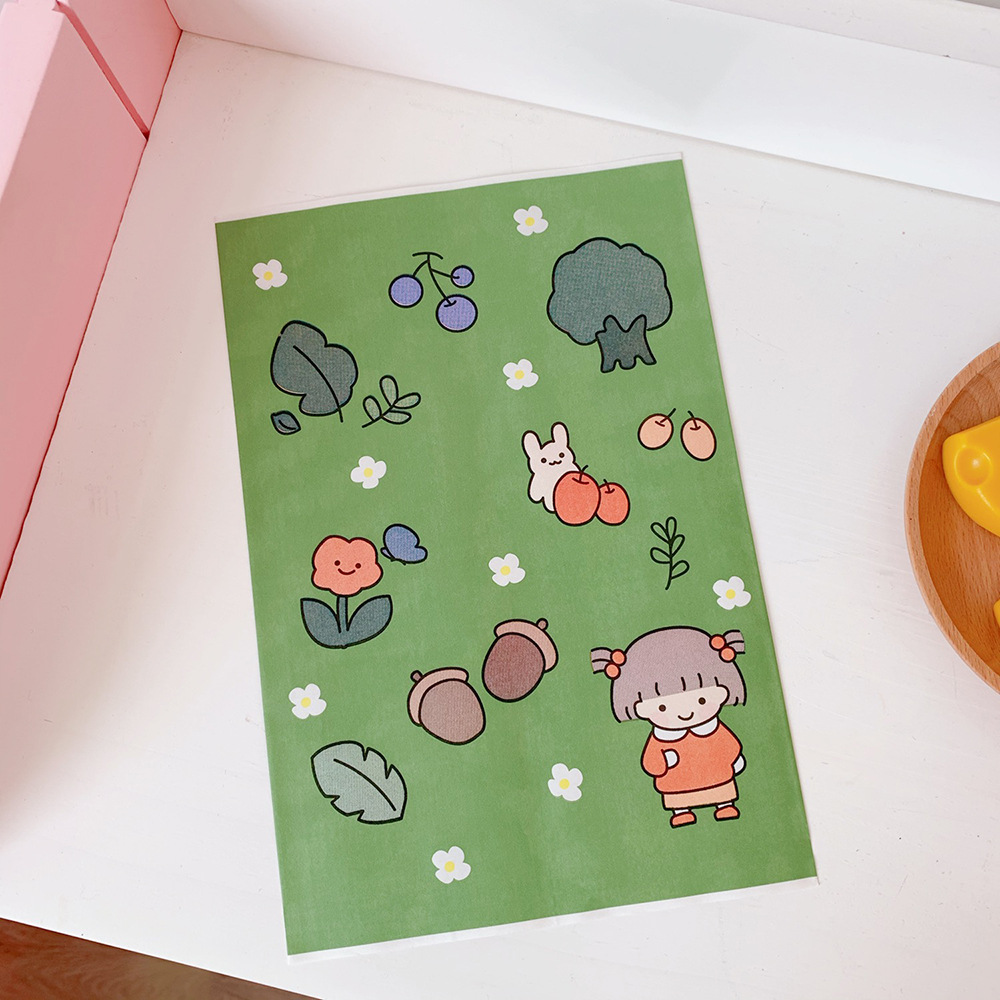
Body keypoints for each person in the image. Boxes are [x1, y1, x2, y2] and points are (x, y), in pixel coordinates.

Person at [591, 627, 747, 828]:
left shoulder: (713, 730)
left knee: (722, 791)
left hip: (718, 777)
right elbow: (651, 763)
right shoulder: (661, 739)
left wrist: (734, 758)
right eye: (662, 707)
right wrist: (663, 762)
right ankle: (681, 811)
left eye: (701, 700)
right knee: (679, 797)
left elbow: (730, 745)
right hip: (677, 785)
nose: (685, 713)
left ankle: (724, 804)